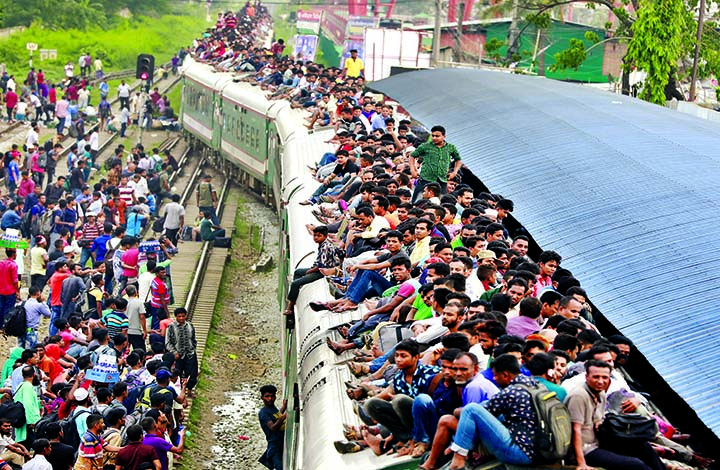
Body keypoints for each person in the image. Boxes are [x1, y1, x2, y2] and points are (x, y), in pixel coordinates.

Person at [566, 360, 666, 470]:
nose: (600, 381)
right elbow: (575, 430)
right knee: (636, 465)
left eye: (604, 378)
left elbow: (598, 420)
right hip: (585, 449)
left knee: (643, 447)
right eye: (596, 377)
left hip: (599, 441)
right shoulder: (579, 396)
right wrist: (581, 463)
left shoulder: (601, 393)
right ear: (587, 377)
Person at [447, 354, 538, 468]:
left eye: (495, 375)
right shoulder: (532, 385)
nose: (494, 379)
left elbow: (477, 411)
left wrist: (456, 411)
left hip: (521, 452)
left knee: (471, 409)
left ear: (505, 375)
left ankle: (458, 458)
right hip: (537, 449)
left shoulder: (510, 392)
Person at [409, 125, 462, 202]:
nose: (434, 138)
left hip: (442, 180)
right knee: (417, 201)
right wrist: (413, 170)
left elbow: (458, 159)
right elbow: (412, 156)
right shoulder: (426, 146)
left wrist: (454, 172)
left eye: (437, 136)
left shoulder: (451, 147)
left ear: (444, 136)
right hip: (426, 178)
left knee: (439, 203)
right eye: (433, 136)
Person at [165, 308, 198, 393]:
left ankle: (190, 389)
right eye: (179, 316)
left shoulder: (190, 326)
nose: (181, 318)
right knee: (177, 373)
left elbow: (193, 339)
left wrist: (193, 348)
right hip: (178, 355)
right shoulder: (171, 327)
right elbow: (168, 342)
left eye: (183, 316)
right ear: (176, 317)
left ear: (186, 316)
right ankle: (179, 391)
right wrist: (174, 352)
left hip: (190, 353)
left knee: (192, 373)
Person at [258, 384, 286, 470]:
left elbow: (276, 416)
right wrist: (283, 418)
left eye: (272, 396)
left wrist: (284, 407)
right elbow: (273, 427)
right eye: (267, 396)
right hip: (275, 448)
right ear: (262, 397)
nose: (270, 399)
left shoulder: (273, 408)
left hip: (280, 445)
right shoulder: (263, 413)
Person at [0, 249, 20, 328]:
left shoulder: (1, 263)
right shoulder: (13, 265)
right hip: (10, 291)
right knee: (8, 309)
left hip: (1, 290)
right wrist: (17, 291)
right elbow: (15, 281)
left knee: (1, 307)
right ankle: (6, 326)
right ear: (14, 254)